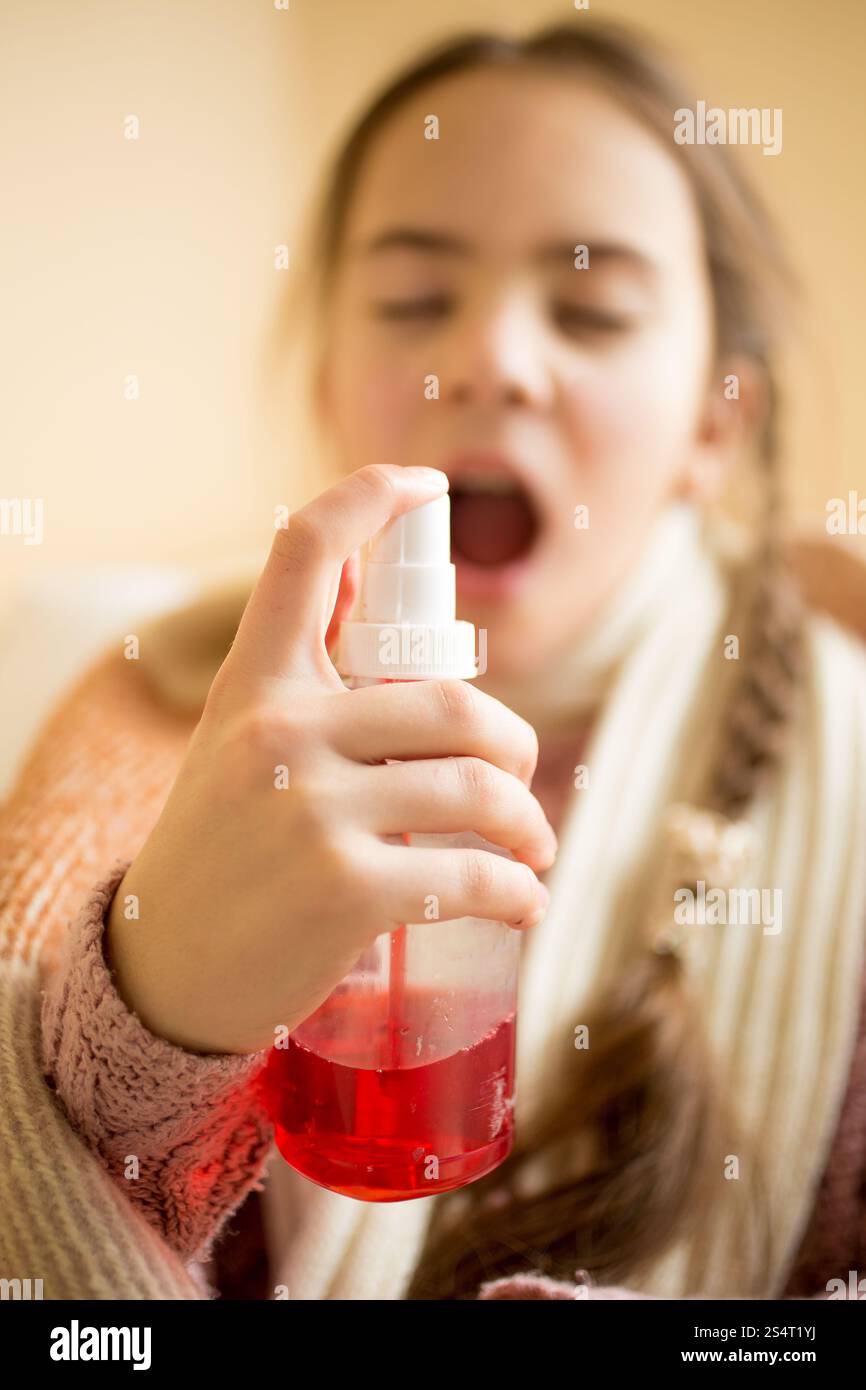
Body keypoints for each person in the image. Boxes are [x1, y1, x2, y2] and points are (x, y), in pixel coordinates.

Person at [2, 20, 866, 1302]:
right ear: (327, 379)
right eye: (413, 301)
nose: (488, 363)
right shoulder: (151, 707)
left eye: (590, 307)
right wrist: (150, 1009)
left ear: (710, 420)